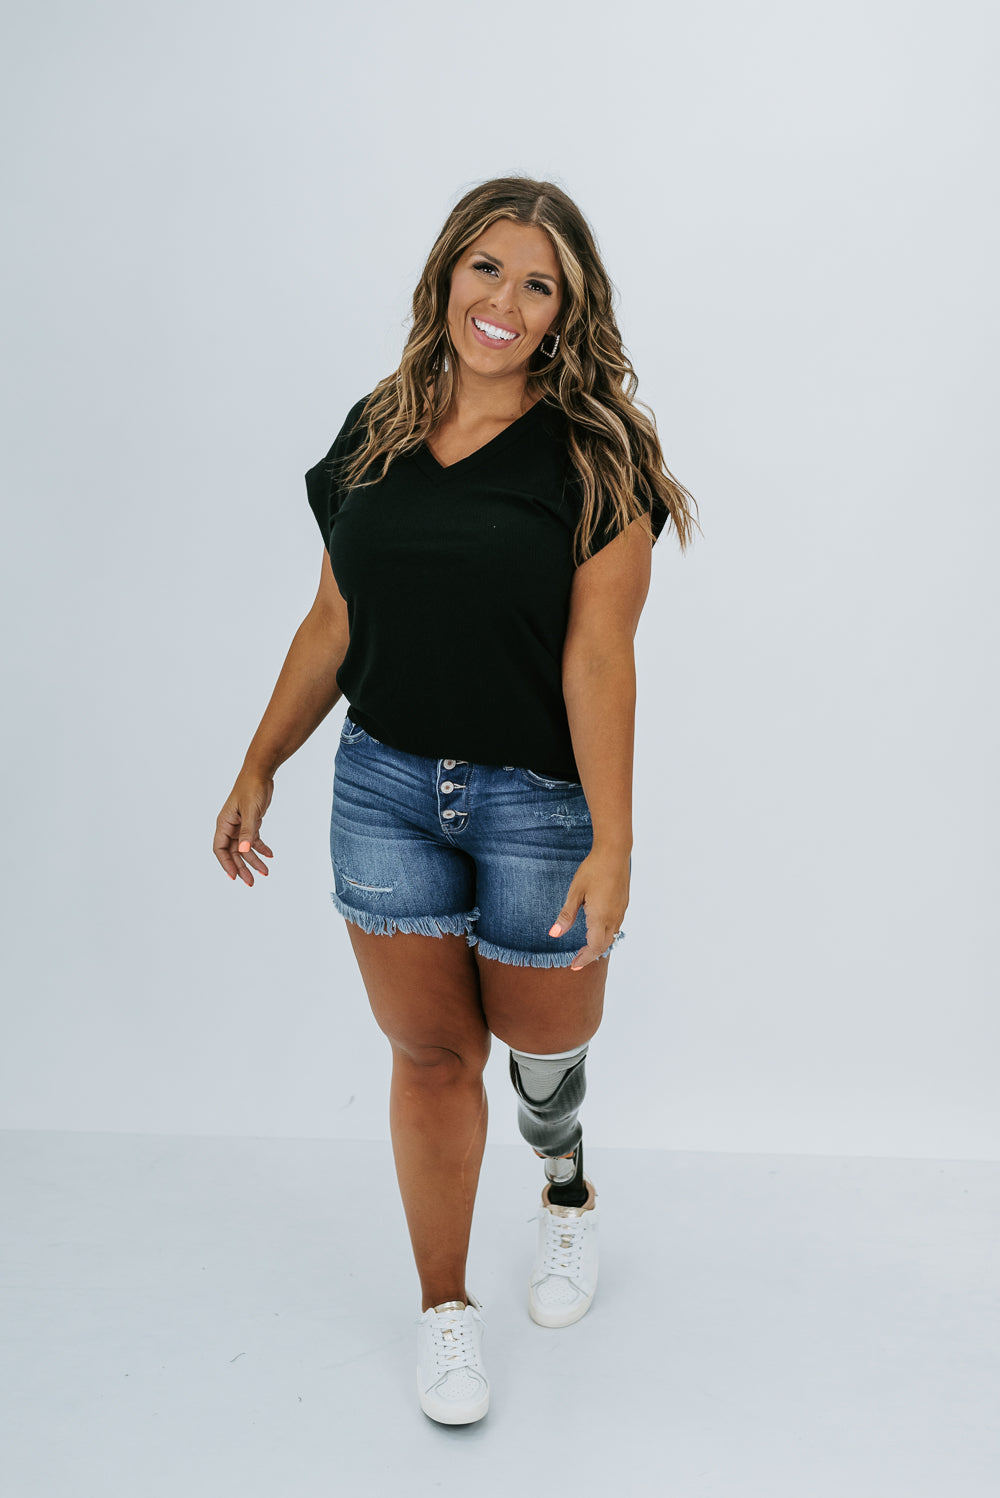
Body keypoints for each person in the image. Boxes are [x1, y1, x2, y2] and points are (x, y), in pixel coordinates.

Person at [213, 176, 696, 1426]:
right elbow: (334, 618)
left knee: (542, 1057)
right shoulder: (377, 428)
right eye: (487, 268)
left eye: (538, 285)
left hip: (540, 804)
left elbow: (599, 658)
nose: (505, 302)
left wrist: (614, 840)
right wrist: (262, 759)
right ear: (445, 274)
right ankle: (445, 1309)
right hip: (383, 787)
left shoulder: (597, 455)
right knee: (432, 1057)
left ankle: (565, 1184)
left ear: (566, 311)